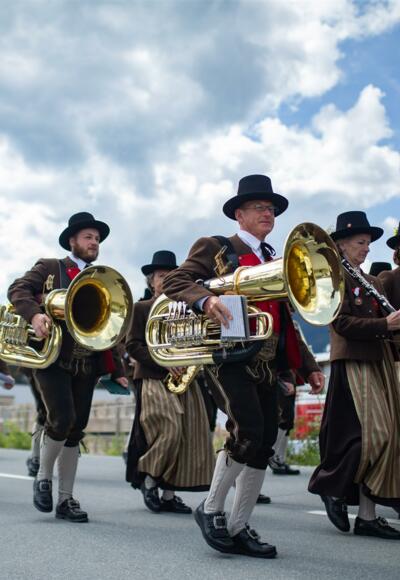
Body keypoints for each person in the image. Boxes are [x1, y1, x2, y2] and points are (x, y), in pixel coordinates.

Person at [163, 174, 324, 558]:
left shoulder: (276, 259)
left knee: (264, 441)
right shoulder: (218, 247)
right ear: (239, 214)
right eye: (259, 207)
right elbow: (176, 280)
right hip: (228, 355)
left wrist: (307, 366)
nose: (268, 213)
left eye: (272, 209)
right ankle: (211, 509)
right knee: (247, 430)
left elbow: (286, 320)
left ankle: (238, 525)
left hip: (266, 360)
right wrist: (205, 299)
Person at [8, 212, 128, 523]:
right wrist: (35, 314)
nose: (94, 243)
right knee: (61, 419)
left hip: (86, 362)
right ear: (72, 240)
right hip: (53, 360)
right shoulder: (50, 267)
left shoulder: (101, 278)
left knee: (76, 429)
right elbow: (18, 289)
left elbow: (108, 326)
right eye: (88, 237)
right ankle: (43, 478)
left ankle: (65, 499)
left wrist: (117, 371)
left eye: (97, 239)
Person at [308, 211, 400, 540]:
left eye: (368, 243)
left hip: (378, 361)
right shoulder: (333, 279)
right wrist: (384, 324)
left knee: (388, 437)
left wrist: (390, 328)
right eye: (361, 242)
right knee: (372, 436)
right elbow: (341, 324)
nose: (366, 248)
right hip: (353, 363)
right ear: (342, 244)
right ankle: (332, 486)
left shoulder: (373, 282)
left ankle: (367, 516)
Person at [125, 251, 215, 514]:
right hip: (154, 376)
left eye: (171, 276)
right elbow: (132, 345)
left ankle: (168, 495)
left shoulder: (189, 308)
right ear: (151, 281)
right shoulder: (141, 308)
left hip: (187, 378)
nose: (165, 280)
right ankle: (149, 478)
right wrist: (163, 362)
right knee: (169, 428)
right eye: (161, 276)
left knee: (190, 434)